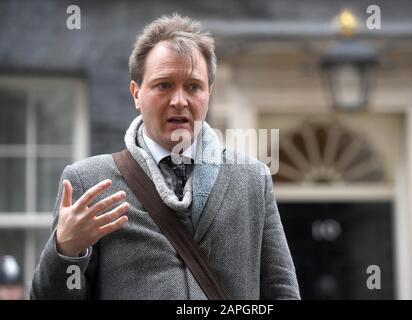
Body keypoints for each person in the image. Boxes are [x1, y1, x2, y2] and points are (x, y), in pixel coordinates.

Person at [30, 13, 300, 300]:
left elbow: (281, 291)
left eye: (193, 86)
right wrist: (66, 250)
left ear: (209, 93)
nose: (179, 100)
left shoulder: (252, 179)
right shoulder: (89, 182)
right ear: (136, 93)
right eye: (164, 85)